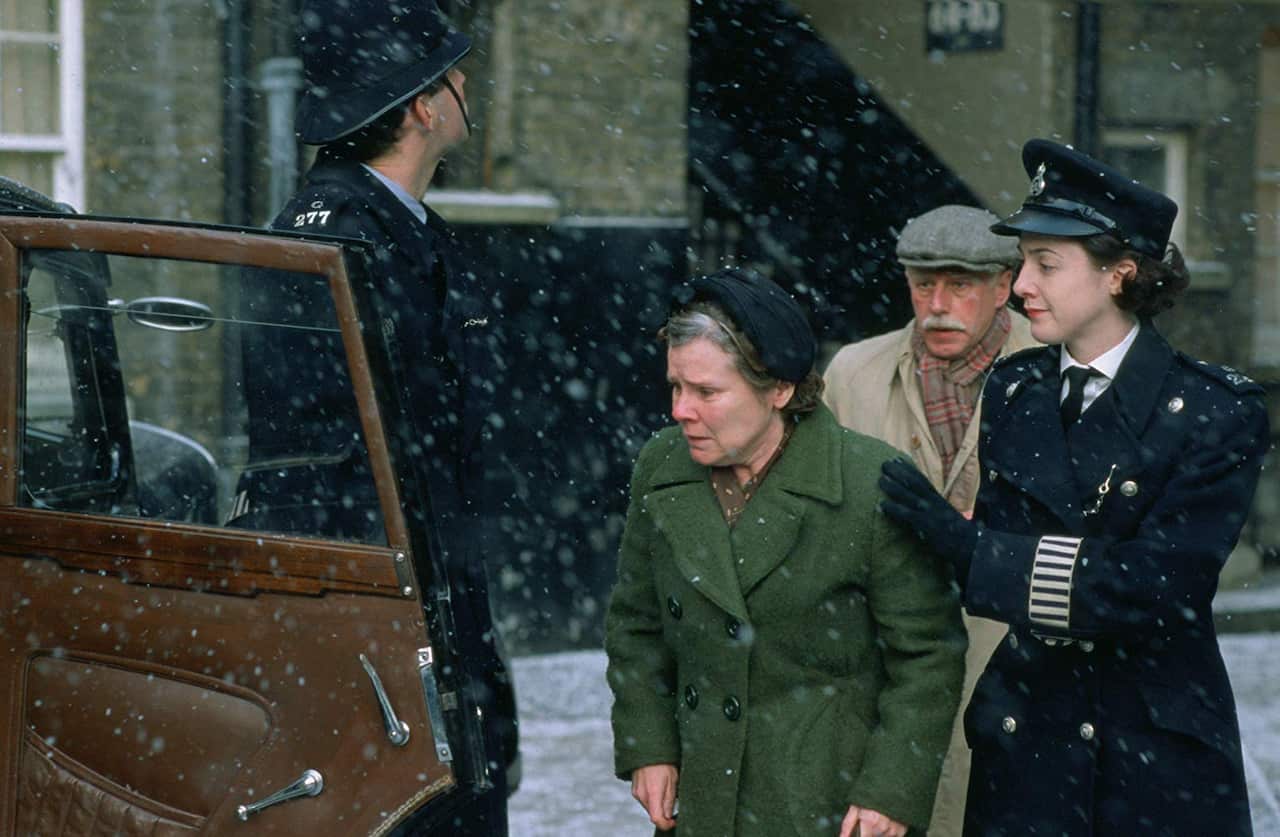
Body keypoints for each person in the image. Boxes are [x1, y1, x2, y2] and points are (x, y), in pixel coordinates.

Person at [879, 138, 1269, 836]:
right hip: (1028, 741)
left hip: (1153, 758)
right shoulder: (1016, 388)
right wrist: (978, 552)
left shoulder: (1216, 409)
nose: (1021, 284)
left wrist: (972, 549)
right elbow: (1016, 562)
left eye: (1044, 264)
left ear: (1120, 273)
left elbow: (1152, 586)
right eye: (1023, 261)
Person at [236, 1, 514, 833]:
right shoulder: (357, 239)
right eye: (455, 77)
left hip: (392, 594)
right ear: (424, 106)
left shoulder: (374, 226)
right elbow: (386, 443)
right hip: (385, 607)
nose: (469, 87)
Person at [605, 267, 966, 837]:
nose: (681, 410)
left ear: (779, 389)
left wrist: (890, 793)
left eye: (706, 392)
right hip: (703, 800)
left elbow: (927, 658)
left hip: (828, 801)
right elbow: (636, 625)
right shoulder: (662, 465)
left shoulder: (871, 481)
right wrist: (647, 744)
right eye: (676, 387)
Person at [823, 204, 1036, 837]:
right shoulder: (853, 373)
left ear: (1004, 286)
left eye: (960, 285)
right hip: (886, 658)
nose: (937, 304)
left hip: (1013, 658)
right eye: (923, 284)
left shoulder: (1057, 368)